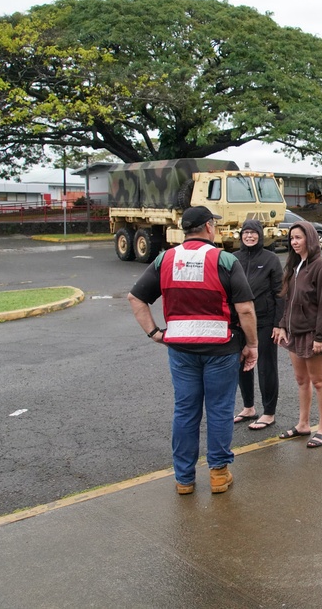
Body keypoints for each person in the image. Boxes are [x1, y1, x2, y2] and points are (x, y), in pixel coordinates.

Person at [127, 206, 258, 495]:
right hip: (221, 348)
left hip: (181, 348)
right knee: (220, 409)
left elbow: (136, 298)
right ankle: (218, 475)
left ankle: (184, 479)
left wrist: (154, 332)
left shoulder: (165, 259)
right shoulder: (224, 260)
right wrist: (252, 345)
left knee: (185, 410)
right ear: (209, 227)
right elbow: (246, 309)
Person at [273, 221, 322, 448]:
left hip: (313, 334)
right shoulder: (295, 266)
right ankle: (303, 425)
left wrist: (320, 336)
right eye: (291, 239)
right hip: (294, 333)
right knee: (301, 381)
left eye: (298, 238)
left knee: (319, 382)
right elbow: (288, 302)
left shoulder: (321, 267)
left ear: (309, 238)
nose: (294, 242)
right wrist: (282, 326)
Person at [233, 219, 284, 431]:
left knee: (266, 367)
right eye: (246, 233)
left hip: (264, 321)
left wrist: (278, 324)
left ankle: (269, 412)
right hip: (239, 321)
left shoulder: (271, 259)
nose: (249, 237)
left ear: (260, 235)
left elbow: (280, 293)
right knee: (242, 365)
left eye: (254, 233)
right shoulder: (234, 258)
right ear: (241, 235)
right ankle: (249, 408)